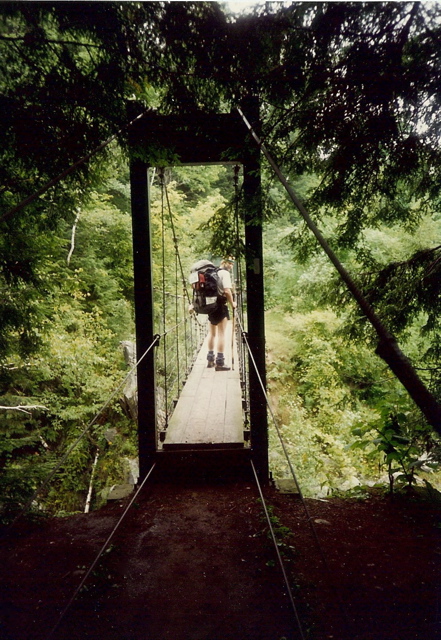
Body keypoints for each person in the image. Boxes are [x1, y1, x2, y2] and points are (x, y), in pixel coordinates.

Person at [206, 257, 236, 371]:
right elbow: (227, 291)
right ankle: (220, 363)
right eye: (231, 263)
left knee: (212, 333)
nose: (231, 265)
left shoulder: (213, 272)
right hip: (220, 305)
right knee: (222, 334)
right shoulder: (225, 274)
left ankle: (210, 360)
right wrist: (232, 303)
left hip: (210, 305)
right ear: (226, 263)